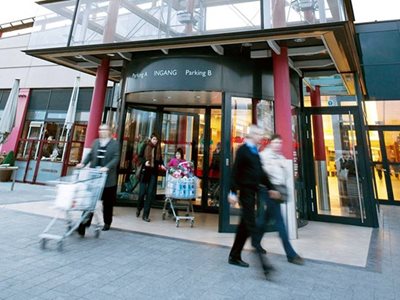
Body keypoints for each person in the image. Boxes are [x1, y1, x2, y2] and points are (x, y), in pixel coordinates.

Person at [228, 125, 280, 279]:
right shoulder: (243, 150)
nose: (261, 137)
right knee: (251, 226)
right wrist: (232, 192)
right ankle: (265, 266)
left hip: (254, 193)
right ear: (251, 135)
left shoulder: (255, 151)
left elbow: (261, 172)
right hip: (246, 194)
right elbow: (235, 172)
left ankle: (234, 255)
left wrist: (271, 187)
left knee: (244, 226)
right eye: (258, 134)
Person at [257, 134, 304, 265]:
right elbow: (262, 175)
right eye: (275, 142)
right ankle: (291, 254)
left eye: (280, 143)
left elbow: (286, 175)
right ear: (270, 143)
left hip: (277, 191)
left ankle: (256, 241)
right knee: (280, 221)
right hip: (268, 191)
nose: (278, 145)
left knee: (265, 219)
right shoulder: (264, 156)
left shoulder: (280, 157)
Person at [76, 124, 120, 236]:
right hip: (94, 177)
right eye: (100, 129)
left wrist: (107, 167)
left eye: (104, 129)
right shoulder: (96, 142)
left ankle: (107, 223)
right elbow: (90, 155)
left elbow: (116, 158)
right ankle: (83, 224)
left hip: (108, 179)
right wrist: (83, 163)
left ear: (109, 131)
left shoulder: (115, 144)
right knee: (89, 202)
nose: (101, 131)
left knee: (107, 204)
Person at [136, 133, 166, 222]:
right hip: (145, 172)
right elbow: (139, 157)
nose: (155, 141)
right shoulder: (145, 145)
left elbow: (160, 159)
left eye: (156, 140)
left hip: (153, 173)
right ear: (151, 139)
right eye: (154, 139)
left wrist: (162, 165)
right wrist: (145, 162)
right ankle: (139, 207)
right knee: (142, 193)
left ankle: (145, 215)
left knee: (149, 194)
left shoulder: (158, 148)